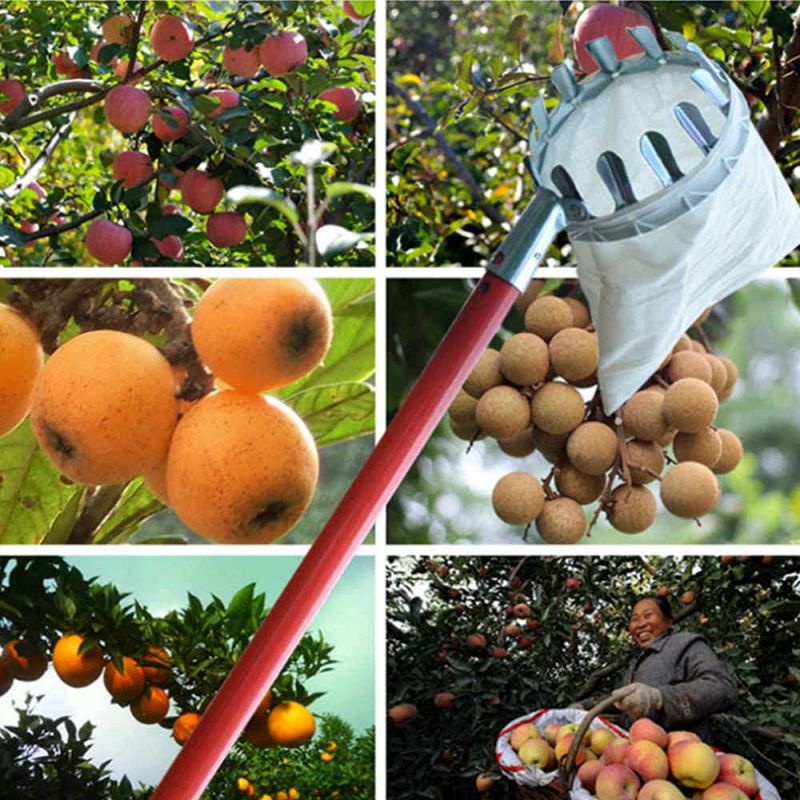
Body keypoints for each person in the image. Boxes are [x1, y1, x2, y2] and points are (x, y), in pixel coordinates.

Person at [612, 595, 738, 741]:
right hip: (636, 753)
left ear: (669, 622)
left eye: (648, 616)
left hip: (685, 753)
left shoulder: (685, 643)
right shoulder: (636, 663)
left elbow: (723, 687)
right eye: (635, 619)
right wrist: (583, 706)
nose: (640, 624)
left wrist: (659, 698)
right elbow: (619, 701)